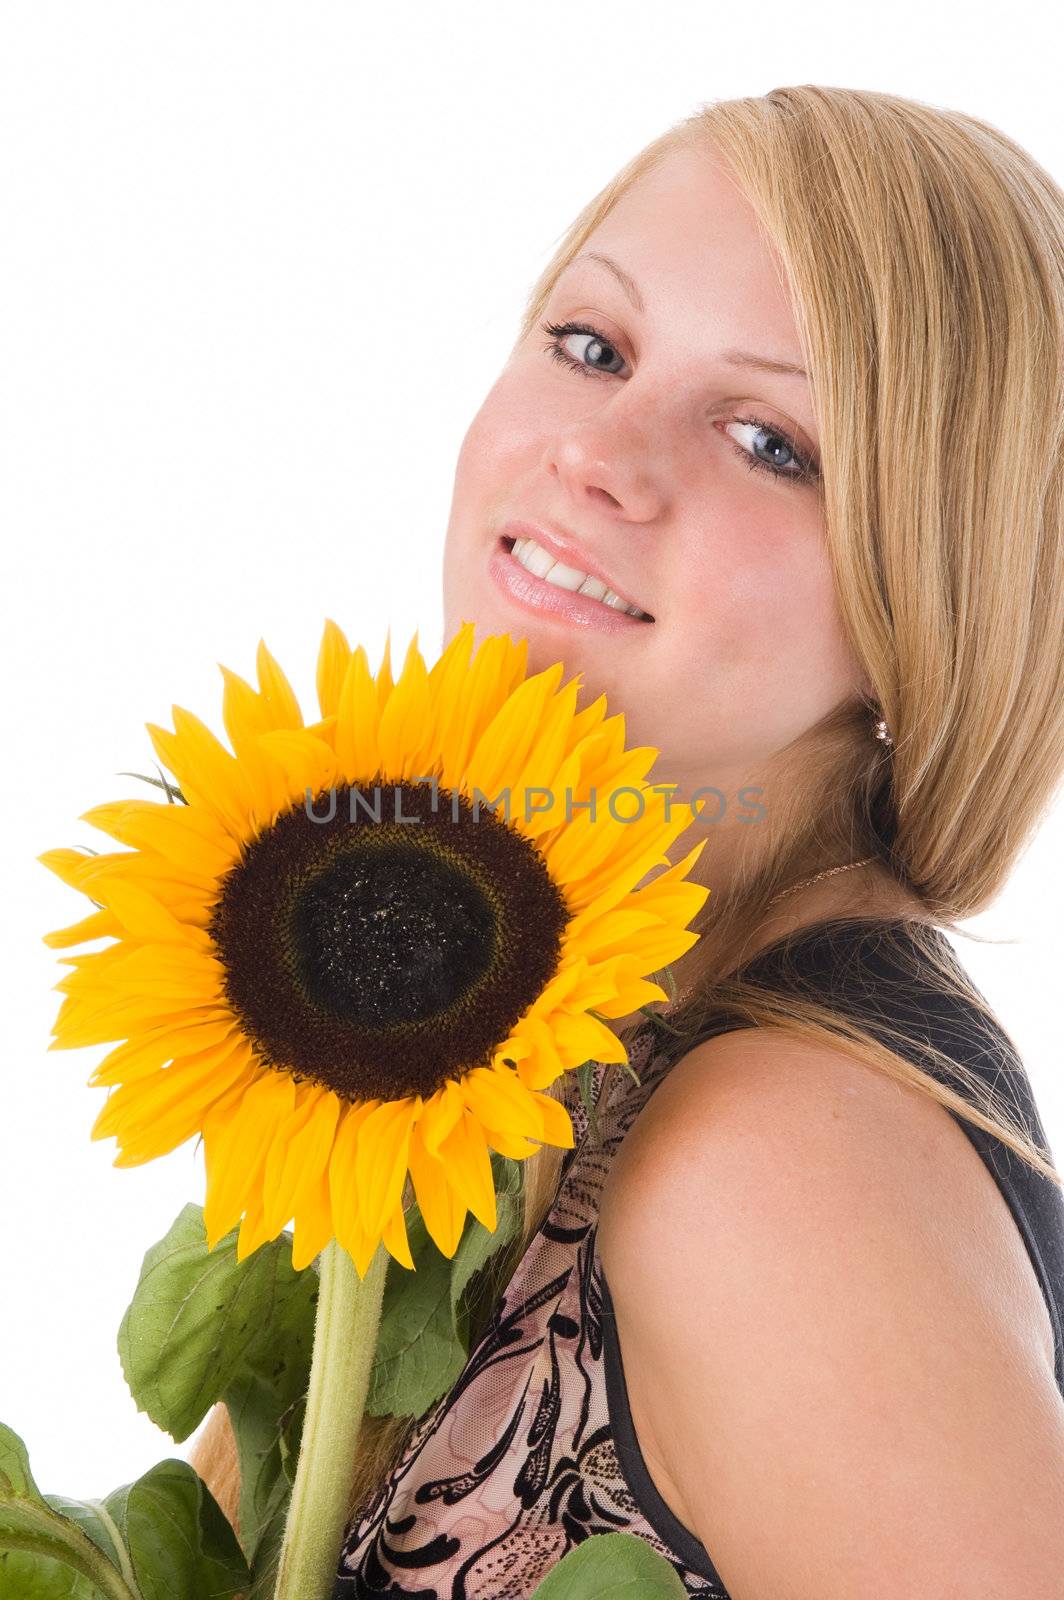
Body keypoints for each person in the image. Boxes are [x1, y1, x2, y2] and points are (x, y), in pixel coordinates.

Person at [190, 84, 1064, 1596]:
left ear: (929, 595)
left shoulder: (774, 1166)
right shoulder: (508, 1029)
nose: (599, 453)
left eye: (769, 438)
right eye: (591, 346)